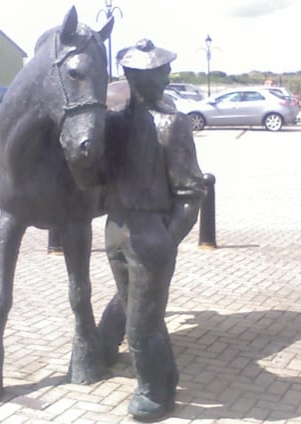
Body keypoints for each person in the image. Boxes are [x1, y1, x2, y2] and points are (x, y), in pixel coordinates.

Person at [101, 39, 205, 421]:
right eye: (159, 71)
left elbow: (192, 192)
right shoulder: (112, 126)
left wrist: (168, 237)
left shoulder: (172, 125)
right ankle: (168, 377)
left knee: (140, 324)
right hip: (115, 228)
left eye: (166, 69)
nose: (167, 76)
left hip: (150, 233)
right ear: (134, 77)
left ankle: (151, 392)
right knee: (143, 315)